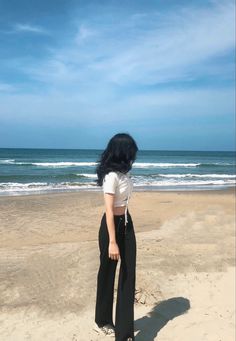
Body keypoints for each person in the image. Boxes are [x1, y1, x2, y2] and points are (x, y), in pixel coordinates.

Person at [94, 133, 138, 341]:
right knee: (107, 272)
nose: (134, 156)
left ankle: (124, 332)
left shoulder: (125, 174)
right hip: (111, 227)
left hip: (127, 224)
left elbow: (124, 205)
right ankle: (102, 321)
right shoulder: (111, 176)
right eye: (131, 152)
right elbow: (109, 211)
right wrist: (112, 241)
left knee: (128, 274)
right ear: (123, 152)